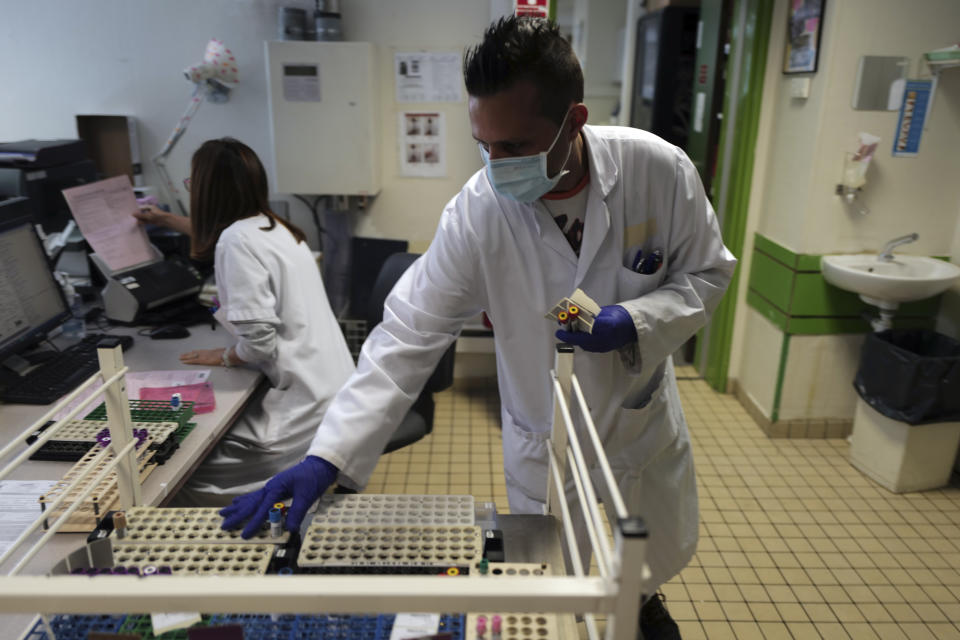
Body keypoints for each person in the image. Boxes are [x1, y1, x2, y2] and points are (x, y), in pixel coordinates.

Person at [220, 17, 736, 638]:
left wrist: (639, 320)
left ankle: (645, 607)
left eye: (514, 147)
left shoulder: (659, 171)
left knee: (639, 584)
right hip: (541, 434)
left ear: (574, 121)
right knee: (555, 591)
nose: (496, 166)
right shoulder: (478, 212)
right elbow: (407, 336)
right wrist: (327, 456)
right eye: (483, 145)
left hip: (635, 424)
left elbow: (708, 272)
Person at [134, 138, 355, 508]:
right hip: (331, 395)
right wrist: (166, 220)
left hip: (303, 412)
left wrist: (225, 356)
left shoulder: (236, 243)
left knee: (169, 479)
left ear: (206, 191)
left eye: (192, 183)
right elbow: (217, 234)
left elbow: (259, 345)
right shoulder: (273, 227)